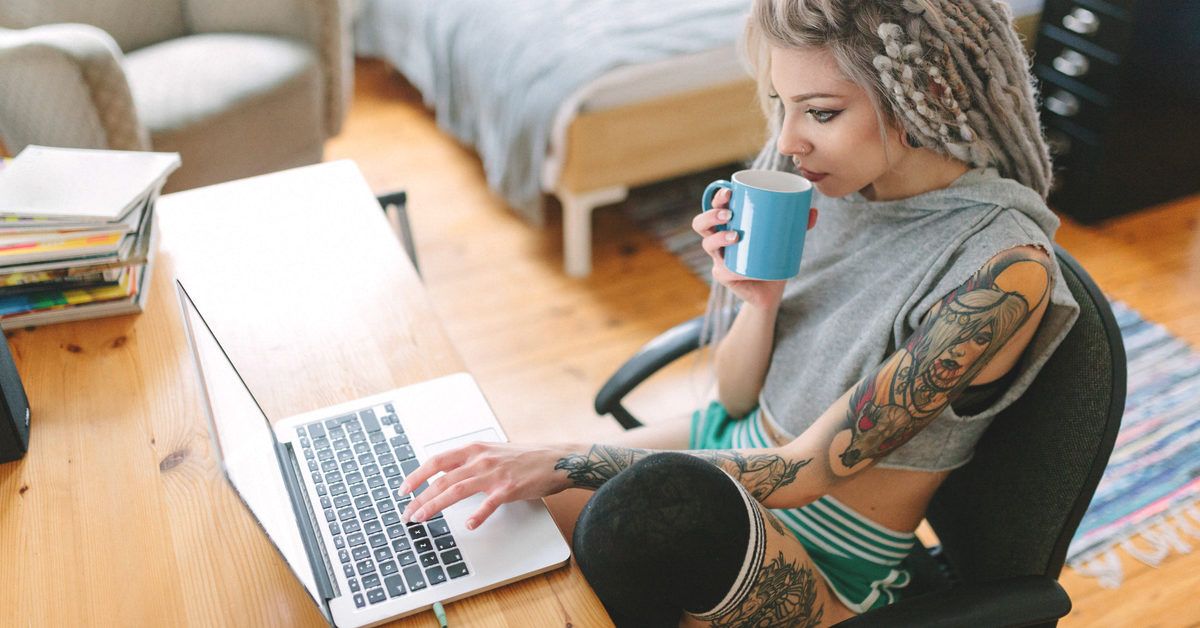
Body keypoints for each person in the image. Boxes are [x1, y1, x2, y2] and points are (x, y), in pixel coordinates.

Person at [396, 0, 1081, 625]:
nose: (788, 142)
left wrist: (573, 458)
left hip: (821, 550)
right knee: (491, 517)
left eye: (820, 112)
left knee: (619, 508)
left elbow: (806, 471)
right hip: (736, 446)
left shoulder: (1003, 274)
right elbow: (734, 397)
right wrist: (760, 302)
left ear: (924, 98)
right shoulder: (845, 189)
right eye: (783, 105)